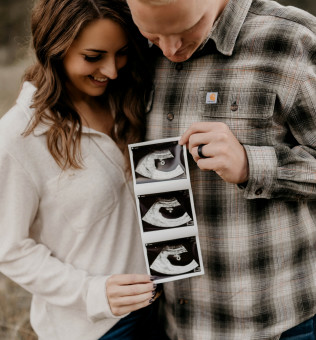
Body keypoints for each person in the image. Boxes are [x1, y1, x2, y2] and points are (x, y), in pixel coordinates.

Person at [126, 0, 316, 339]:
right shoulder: (131, 49)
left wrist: (251, 165)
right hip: (176, 324)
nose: (170, 49)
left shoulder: (290, 40)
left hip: (278, 325)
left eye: (186, 30)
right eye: (153, 35)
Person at [0, 0, 167, 339]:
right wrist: (92, 292)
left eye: (121, 53)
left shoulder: (130, 99)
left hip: (162, 309)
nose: (111, 71)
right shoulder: (15, 139)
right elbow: (9, 249)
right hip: (94, 328)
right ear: (55, 49)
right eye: (93, 57)